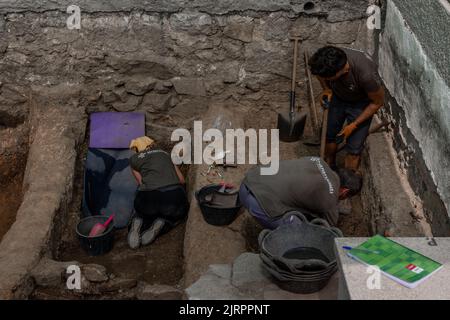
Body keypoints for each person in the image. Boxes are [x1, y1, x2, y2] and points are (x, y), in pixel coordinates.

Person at [308, 46, 385, 175]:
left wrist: (354, 124)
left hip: (362, 104)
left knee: (354, 149)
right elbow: (320, 75)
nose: (325, 79)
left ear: (341, 71)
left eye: (329, 79)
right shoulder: (327, 61)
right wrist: (326, 89)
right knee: (329, 135)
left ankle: (347, 180)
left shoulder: (366, 75)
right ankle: (329, 168)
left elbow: (377, 103)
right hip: (338, 97)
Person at [239, 157, 361, 229]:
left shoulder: (318, 161)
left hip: (248, 183)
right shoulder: (330, 200)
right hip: (257, 203)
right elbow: (327, 230)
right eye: (344, 197)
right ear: (345, 191)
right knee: (301, 232)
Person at [127, 136, 189, 249]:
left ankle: (138, 220)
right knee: (178, 214)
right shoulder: (165, 154)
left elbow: (142, 183)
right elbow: (182, 180)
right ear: (150, 145)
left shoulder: (134, 159)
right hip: (173, 196)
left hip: (150, 198)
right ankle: (164, 223)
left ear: (136, 149)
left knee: (144, 210)